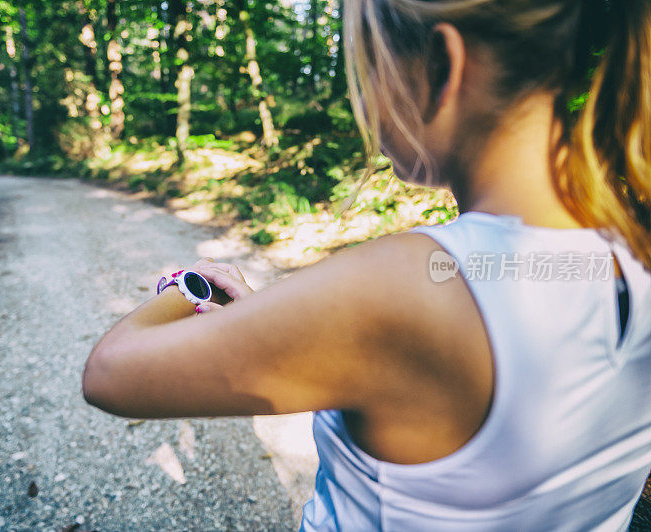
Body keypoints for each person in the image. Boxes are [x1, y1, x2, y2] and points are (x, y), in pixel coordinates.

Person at [82, 0, 651, 529]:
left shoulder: (403, 288)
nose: (363, 105)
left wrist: (189, 285)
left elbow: (110, 373)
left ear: (440, 65)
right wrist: (290, 322)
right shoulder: (633, 255)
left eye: (369, 69)